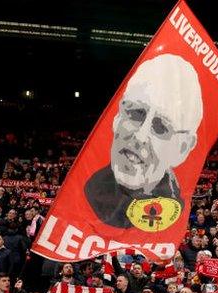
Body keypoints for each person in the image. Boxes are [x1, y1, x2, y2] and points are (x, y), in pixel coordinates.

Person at [84, 54, 204, 231]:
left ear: (182, 148)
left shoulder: (173, 216)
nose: (140, 136)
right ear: (117, 118)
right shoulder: (86, 190)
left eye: (161, 127)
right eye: (136, 113)